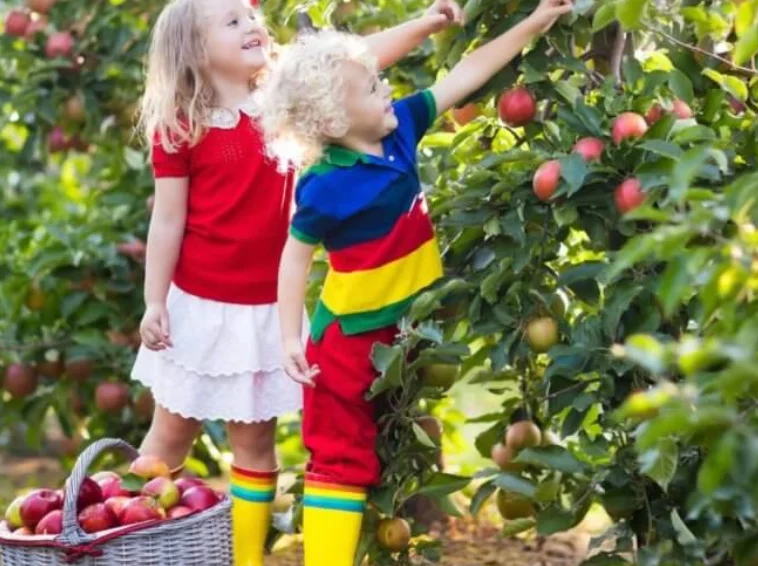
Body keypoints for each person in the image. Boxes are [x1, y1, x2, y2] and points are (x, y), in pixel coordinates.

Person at [130, 0, 463, 564]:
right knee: (170, 435)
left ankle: (245, 557)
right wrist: (154, 301)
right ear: (193, 49)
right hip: (199, 307)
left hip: (263, 309)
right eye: (231, 21)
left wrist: (428, 23)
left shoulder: (280, 95)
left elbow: (359, 60)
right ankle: (125, 535)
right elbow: (167, 219)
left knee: (255, 444)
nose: (252, 25)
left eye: (251, 15)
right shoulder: (182, 123)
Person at [262, 0, 574, 562]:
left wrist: (534, 23)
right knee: (339, 458)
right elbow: (293, 259)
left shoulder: (402, 127)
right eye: (370, 85)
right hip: (348, 341)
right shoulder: (323, 185)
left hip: (407, 331)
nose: (386, 88)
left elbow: (467, 73)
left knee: (391, 444)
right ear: (334, 120)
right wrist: (290, 338)